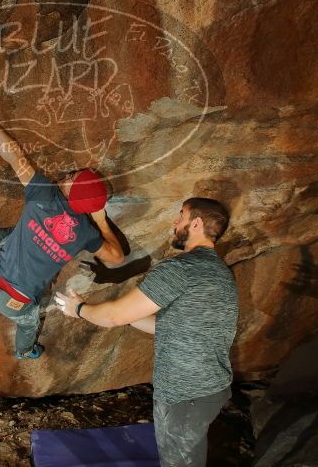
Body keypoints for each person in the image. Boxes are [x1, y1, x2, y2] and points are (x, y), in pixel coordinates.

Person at [0, 89, 125, 359]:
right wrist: (101, 222)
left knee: (14, 235)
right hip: (14, 300)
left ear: (72, 191)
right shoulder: (85, 233)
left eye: (71, 177)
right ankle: (25, 351)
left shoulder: (44, 194)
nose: (67, 174)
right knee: (29, 321)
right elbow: (116, 258)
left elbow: (15, 157)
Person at [55, 198, 238, 466]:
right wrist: (129, 315)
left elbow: (114, 316)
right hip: (210, 389)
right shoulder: (221, 273)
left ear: (196, 223)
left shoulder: (180, 269)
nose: (175, 223)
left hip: (184, 395)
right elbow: (166, 326)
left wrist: (79, 308)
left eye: (181, 216)